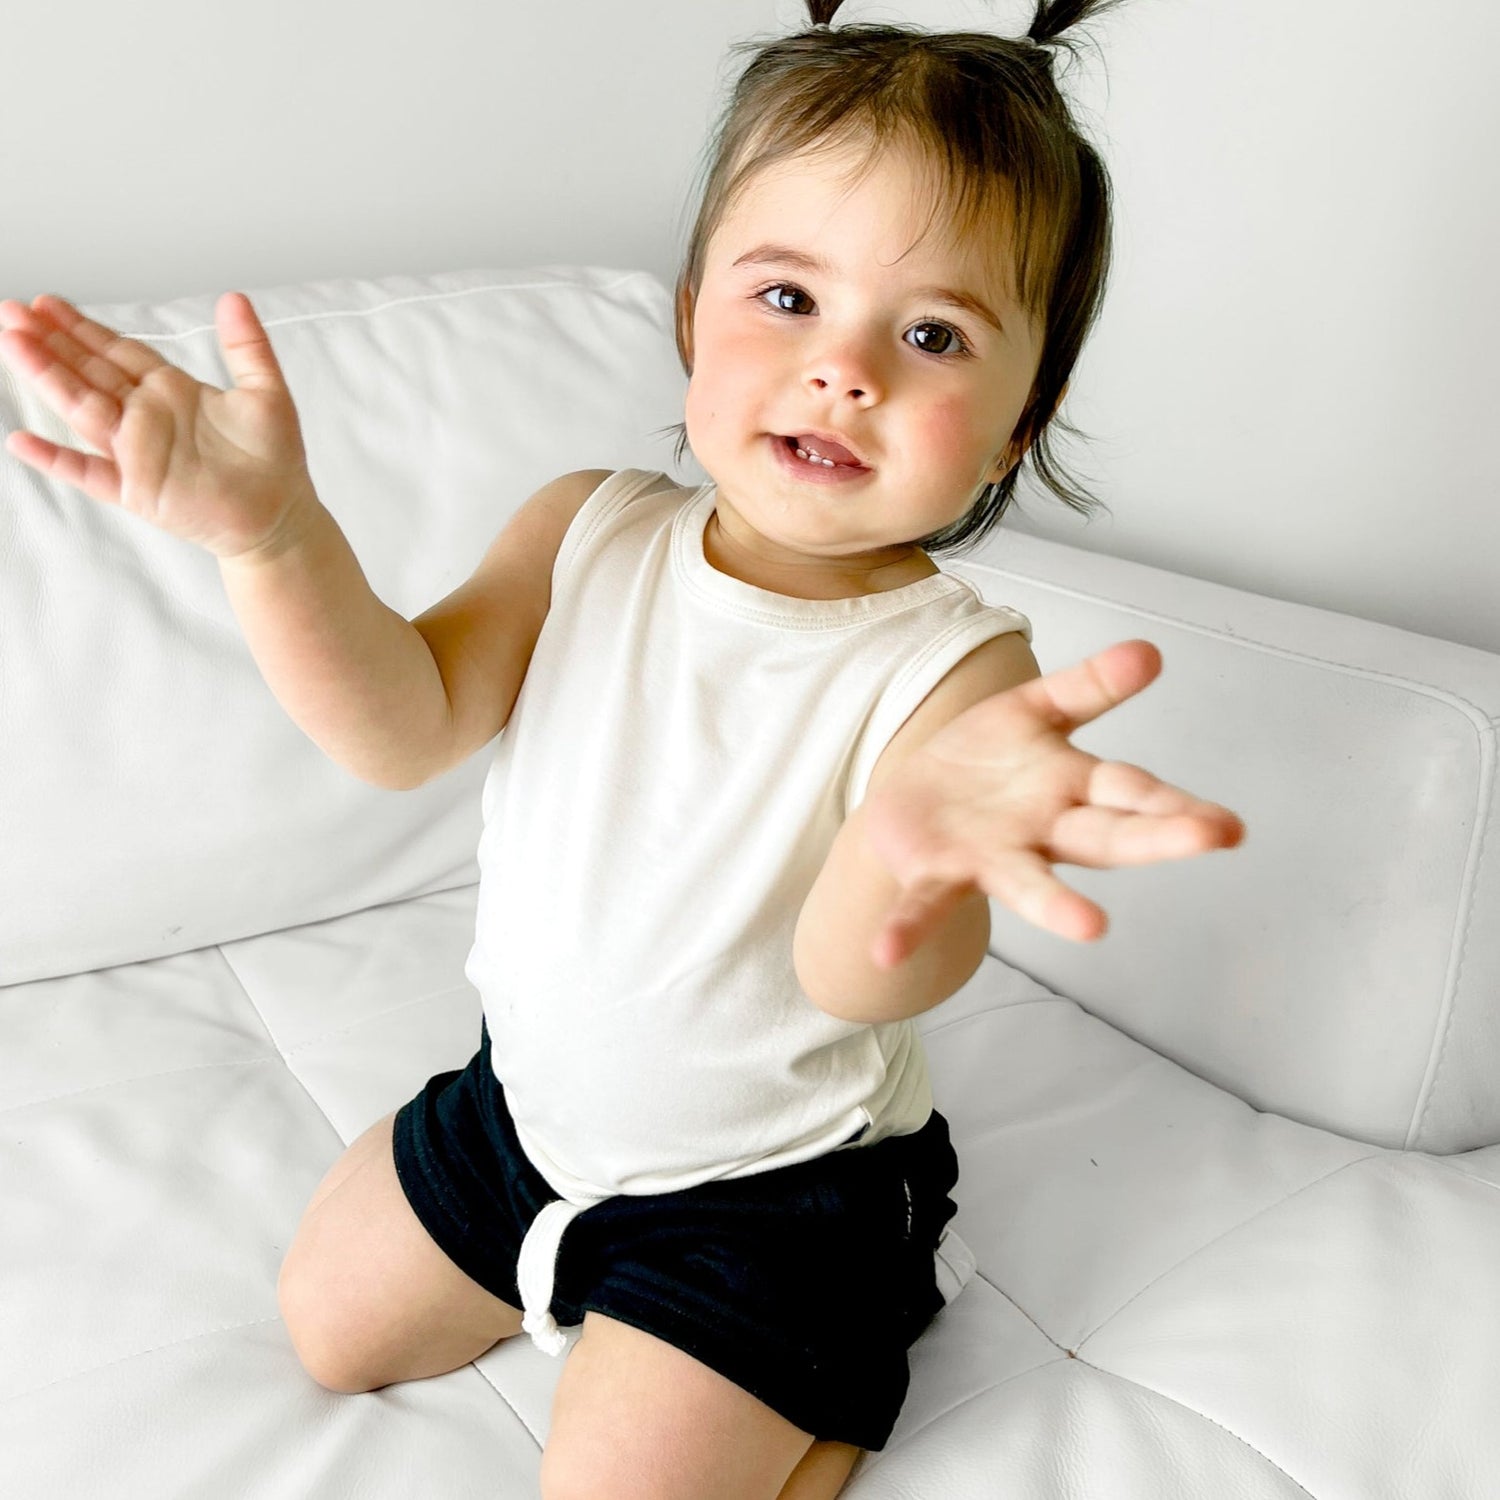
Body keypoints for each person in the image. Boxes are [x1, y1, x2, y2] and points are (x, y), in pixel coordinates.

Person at [0, 1, 1244, 1495]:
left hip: (771, 1194)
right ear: (692, 316)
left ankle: (852, 1339)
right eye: (788, 297)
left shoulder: (952, 669)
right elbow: (402, 727)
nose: (845, 368)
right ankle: (588, 1262)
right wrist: (272, 538)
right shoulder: (585, 530)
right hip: (526, 1109)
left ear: (1016, 426)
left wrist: (911, 862)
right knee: (329, 1329)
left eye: (932, 335)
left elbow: (861, 980)